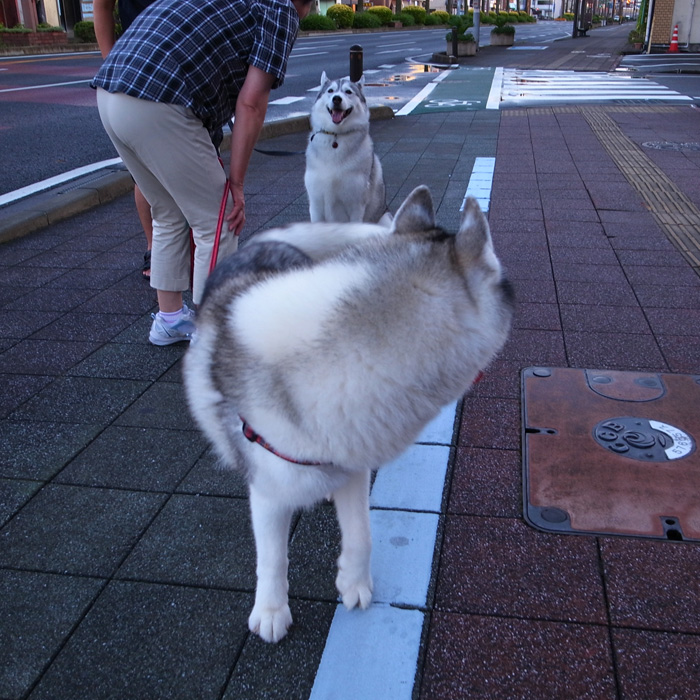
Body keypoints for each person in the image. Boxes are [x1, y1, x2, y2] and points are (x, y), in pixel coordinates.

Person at [92, 0, 314, 345]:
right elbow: (252, 102)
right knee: (220, 218)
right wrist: (236, 184)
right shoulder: (282, 7)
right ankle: (213, 335)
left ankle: (169, 320)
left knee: (167, 213)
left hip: (112, 91)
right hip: (159, 99)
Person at [93, 0, 156, 279]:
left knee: (197, 165)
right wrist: (112, 63)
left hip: (188, 68)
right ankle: (155, 247)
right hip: (137, 69)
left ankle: (192, 246)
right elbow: (102, 6)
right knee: (144, 171)